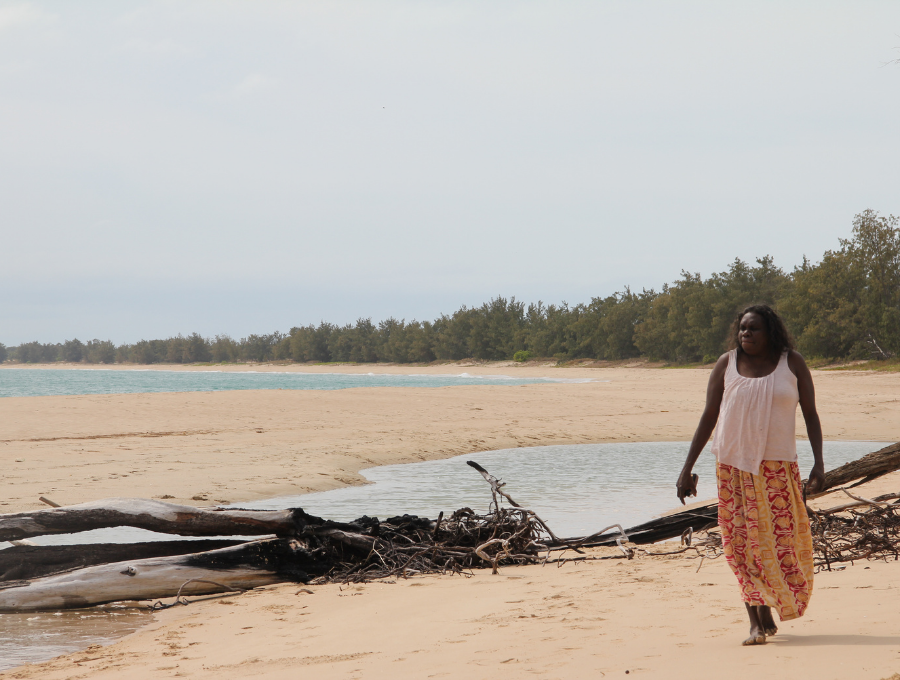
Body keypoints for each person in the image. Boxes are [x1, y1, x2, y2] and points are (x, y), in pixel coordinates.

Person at [676, 304, 825, 646]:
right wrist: (687, 468)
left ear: (770, 332)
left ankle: (769, 601)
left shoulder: (793, 363)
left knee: (782, 541)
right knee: (742, 544)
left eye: (753, 328)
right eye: (742, 328)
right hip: (733, 468)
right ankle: (755, 619)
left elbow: (811, 414)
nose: (746, 334)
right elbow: (709, 416)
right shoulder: (726, 364)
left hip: (778, 468)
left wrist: (819, 463)